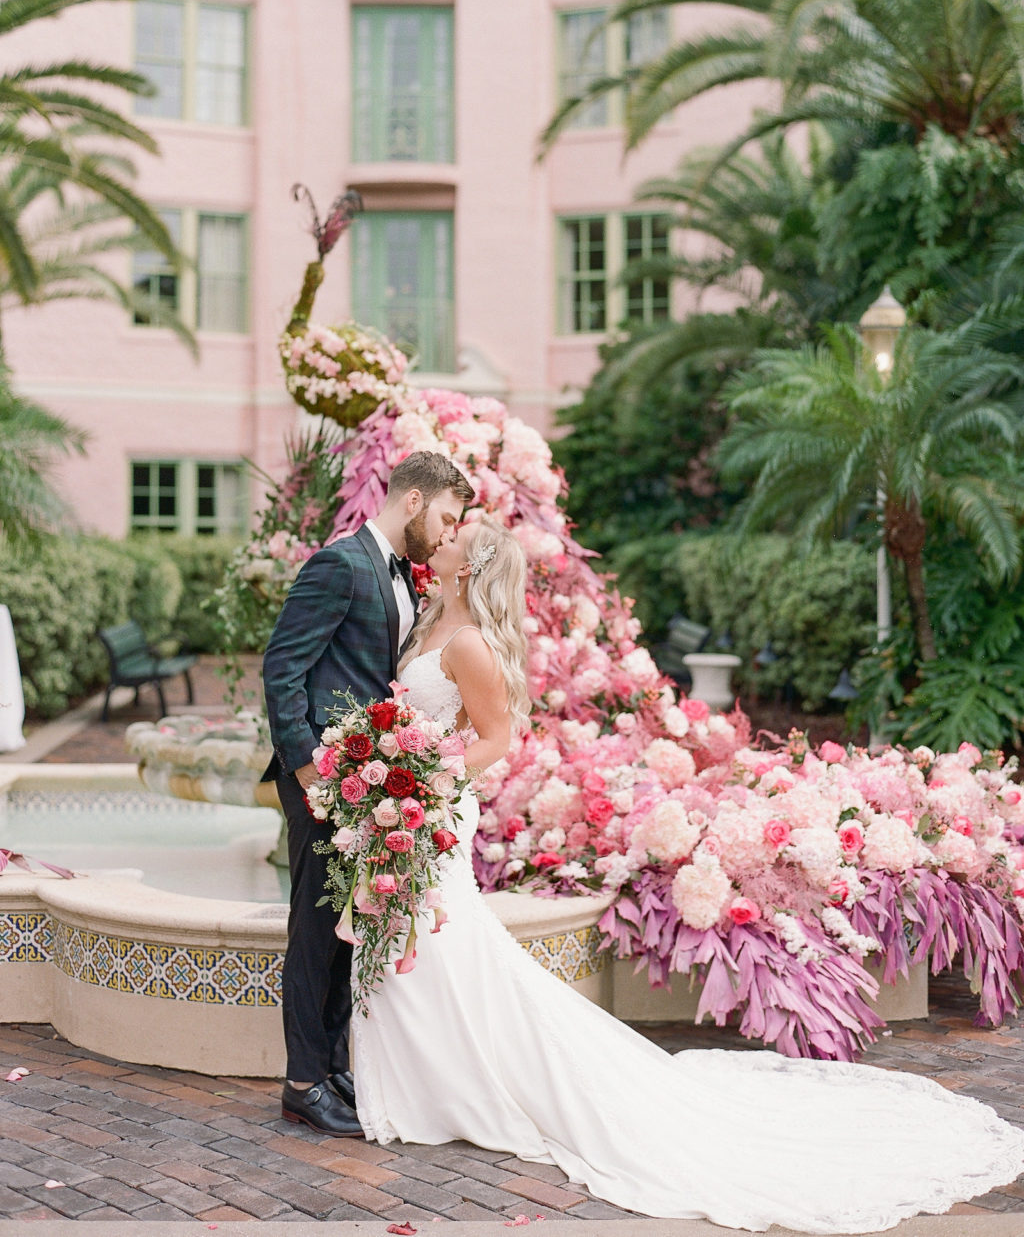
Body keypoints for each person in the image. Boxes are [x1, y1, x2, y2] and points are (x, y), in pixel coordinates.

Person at [351, 516, 1024, 1233]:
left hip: (432, 803)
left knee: (441, 937)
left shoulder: (470, 645)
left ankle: (449, 1088)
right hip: (410, 800)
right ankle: (434, 1081)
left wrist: (421, 774)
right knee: (431, 939)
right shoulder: (426, 614)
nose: (443, 536)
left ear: (468, 565)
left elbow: (497, 740)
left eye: (456, 534)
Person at [261, 450, 474, 1137]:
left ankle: (331, 1067)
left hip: (368, 783)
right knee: (315, 931)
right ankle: (302, 1081)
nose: (446, 534)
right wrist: (305, 773)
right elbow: (282, 670)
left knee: (349, 931)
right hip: (324, 782)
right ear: (413, 501)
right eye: (445, 517)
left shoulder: (404, 578)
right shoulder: (340, 565)